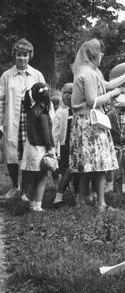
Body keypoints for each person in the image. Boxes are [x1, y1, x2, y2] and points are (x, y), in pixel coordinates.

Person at [69, 38, 125, 211]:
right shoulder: (90, 74)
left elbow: (106, 85)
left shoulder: (86, 71)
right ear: (94, 54)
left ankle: (82, 201)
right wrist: (113, 94)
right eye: (100, 52)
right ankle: (101, 203)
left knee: (87, 165)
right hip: (91, 122)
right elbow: (93, 101)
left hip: (83, 122)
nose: (102, 55)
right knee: (100, 164)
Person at [0, 38, 45, 199]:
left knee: (30, 154)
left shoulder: (37, 75)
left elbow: (44, 98)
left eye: (25, 55)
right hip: (13, 118)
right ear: (15, 55)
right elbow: (0, 100)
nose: (22, 58)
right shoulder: (7, 76)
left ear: (30, 56)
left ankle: (26, 190)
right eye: (19, 55)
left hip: (32, 120)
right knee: (11, 154)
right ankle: (14, 186)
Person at [20, 83, 54, 211]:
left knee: (35, 176)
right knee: (42, 176)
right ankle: (38, 205)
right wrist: (50, 147)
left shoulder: (31, 109)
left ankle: (32, 203)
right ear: (47, 96)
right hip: (40, 148)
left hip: (30, 147)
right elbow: (46, 133)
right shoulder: (43, 113)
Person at [106, 88, 125, 196]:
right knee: (117, 173)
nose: (123, 110)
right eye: (120, 107)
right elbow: (107, 133)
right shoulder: (109, 115)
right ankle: (118, 195)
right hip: (116, 147)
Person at [52, 83, 78, 206]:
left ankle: (76, 194)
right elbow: (55, 131)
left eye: (70, 93)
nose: (67, 95)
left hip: (78, 145)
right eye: (65, 93)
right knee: (66, 170)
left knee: (75, 171)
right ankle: (61, 195)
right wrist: (54, 147)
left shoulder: (79, 110)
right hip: (65, 145)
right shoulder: (61, 112)